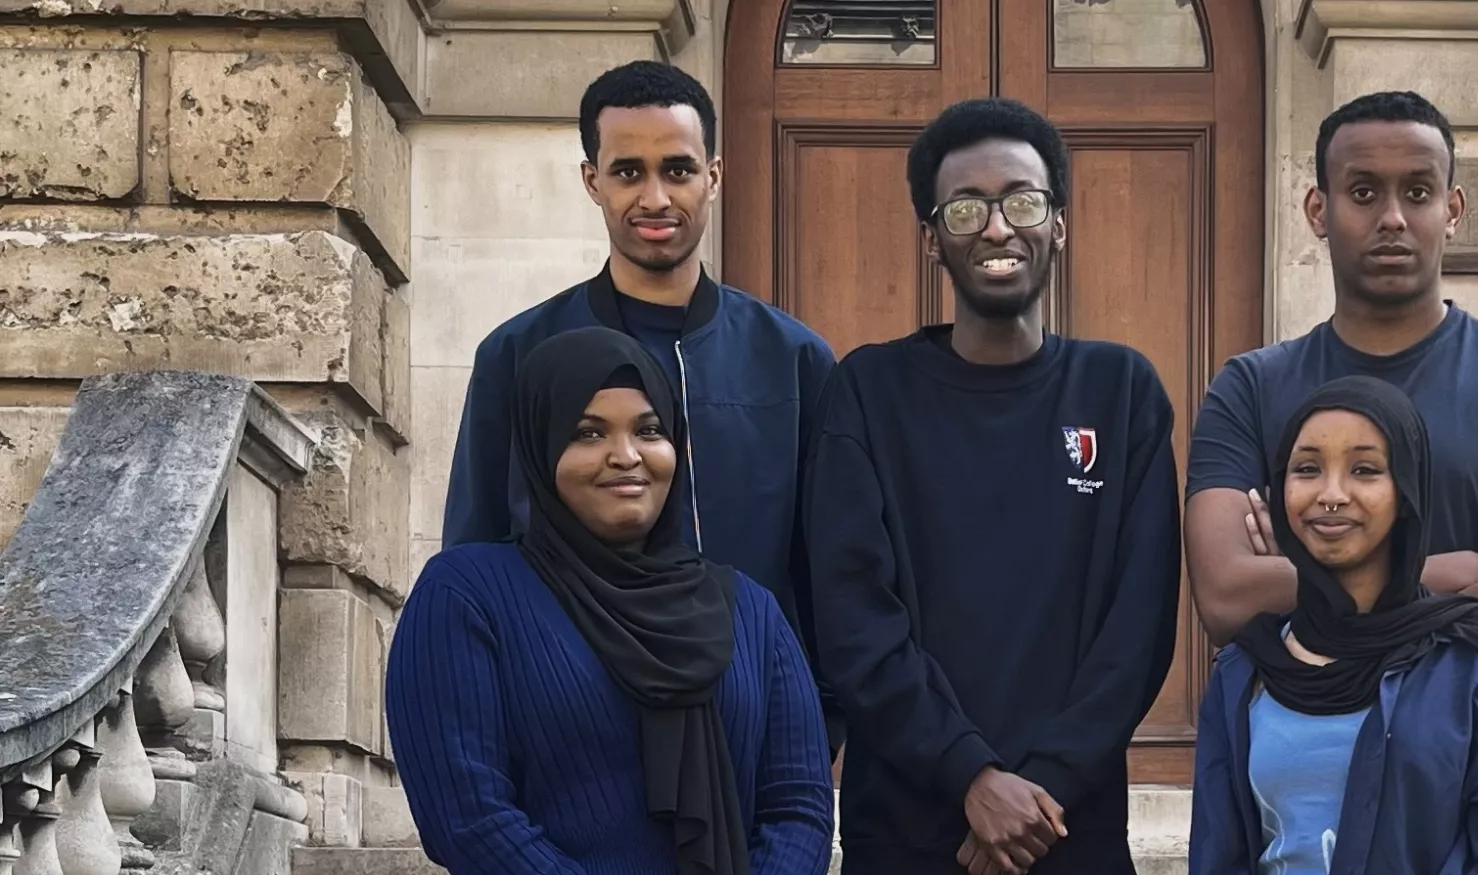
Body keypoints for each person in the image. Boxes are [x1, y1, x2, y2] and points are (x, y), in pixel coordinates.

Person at [803, 97, 1183, 875]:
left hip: (1071, 829)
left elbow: (1136, 627)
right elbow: (853, 617)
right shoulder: (869, 391)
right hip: (908, 833)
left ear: (1059, 224)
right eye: (967, 207)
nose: (999, 227)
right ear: (932, 239)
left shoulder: (1121, 390)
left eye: (1023, 200)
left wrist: (1040, 788)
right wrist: (970, 774)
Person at [439, 60, 842, 748]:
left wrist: (821, 720)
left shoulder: (796, 359)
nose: (655, 197)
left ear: (714, 174)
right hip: (570, 720)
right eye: (629, 172)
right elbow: (477, 549)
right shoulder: (519, 353)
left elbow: (831, 563)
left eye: (678, 170)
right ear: (591, 179)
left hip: (752, 717)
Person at [388, 327, 834, 875]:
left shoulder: (750, 611)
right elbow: (468, 815)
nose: (626, 456)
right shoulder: (466, 595)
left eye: (648, 430)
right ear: (540, 445)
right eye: (587, 433)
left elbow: (799, 807)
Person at [1184, 90, 1478, 656]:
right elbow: (1228, 598)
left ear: (1451, 211)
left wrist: (1311, 578)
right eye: (1363, 192)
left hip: (1469, 731)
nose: (1393, 218)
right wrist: (1454, 573)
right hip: (1294, 730)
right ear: (1318, 212)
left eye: (1418, 193)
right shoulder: (1250, 388)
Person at [1189, 375, 1478, 875]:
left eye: (1365, 470)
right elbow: (1219, 857)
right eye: (1307, 469)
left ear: (1406, 490)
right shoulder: (1244, 672)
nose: (1331, 494)